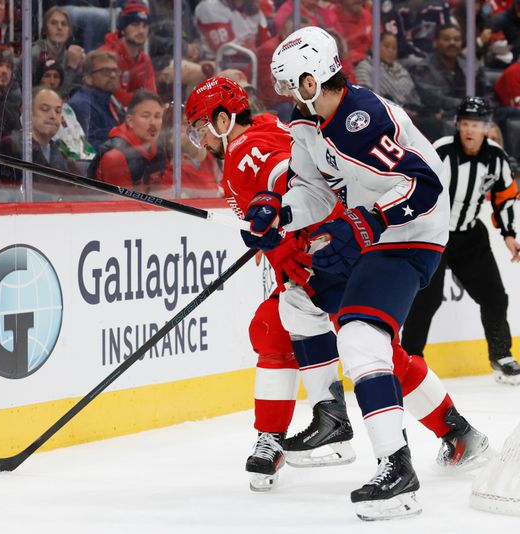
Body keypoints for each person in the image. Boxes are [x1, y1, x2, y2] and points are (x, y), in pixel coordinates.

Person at [184, 75, 490, 499]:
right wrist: (273, 229)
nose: (198, 139)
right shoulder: (271, 129)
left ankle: (306, 428)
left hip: (328, 248)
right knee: (370, 348)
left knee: (287, 328)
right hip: (326, 243)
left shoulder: (245, 150)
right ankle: (455, 431)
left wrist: (281, 225)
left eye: (200, 126)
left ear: (221, 119)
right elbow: (299, 185)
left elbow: (283, 179)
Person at [257, 26, 459, 519]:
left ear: (320, 74)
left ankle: (398, 470)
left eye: (296, 84)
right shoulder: (306, 123)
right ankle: (419, 440)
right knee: (324, 316)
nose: (291, 96)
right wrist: (278, 213)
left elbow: (424, 185)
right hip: (373, 232)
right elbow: (316, 193)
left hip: (412, 233)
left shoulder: (360, 118)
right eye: (284, 88)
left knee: (362, 338)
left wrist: (370, 219)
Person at [402, 97, 520, 385]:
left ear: (487, 127)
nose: (470, 130)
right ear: (458, 124)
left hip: (470, 236)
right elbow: (416, 185)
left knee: (494, 296)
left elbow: (504, 197)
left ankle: (501, 355)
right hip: (435, 235)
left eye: (477, 125)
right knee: (426, 300)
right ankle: (409, 359)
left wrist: (508, 234)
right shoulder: (441, 151)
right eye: (466, 124)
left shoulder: (495, 157)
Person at [89, 89, 169, 194]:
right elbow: (125, 205)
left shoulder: (159, 149)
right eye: (146, 116)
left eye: (157, 116)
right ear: (130, 121)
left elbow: (167, 191)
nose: (153, 123)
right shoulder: (115, 157)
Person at [98, 0, 156, 108]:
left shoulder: (144, 59)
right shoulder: (106, 55)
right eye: (135, 25)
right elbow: (117, 99)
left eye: (145, 26)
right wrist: (142, 99)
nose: (141, 30)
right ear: (123, 29)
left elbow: (152, 97)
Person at [68, 50, 123, 150]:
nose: (113, 75)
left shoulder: (111, 100)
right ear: (88, 78)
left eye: (115, 70)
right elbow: (89, 148)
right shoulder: (81, 105)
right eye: (105, 71)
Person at [32, 6, 84, 97]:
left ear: (69, 31)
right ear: (45, 29)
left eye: (64, 24)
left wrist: (82, 68)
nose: (59, 28)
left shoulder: (72, 55)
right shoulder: (34, 54)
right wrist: (71, 69)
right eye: (54, 23)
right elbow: (54, 96)